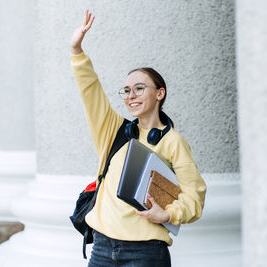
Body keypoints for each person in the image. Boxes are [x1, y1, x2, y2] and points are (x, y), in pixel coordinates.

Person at [70, 10, 207, 267]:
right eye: (126, 90)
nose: (131, 95)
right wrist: (77, 51)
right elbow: (91, 93)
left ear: (160, 93)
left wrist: (167, 213)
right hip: (101, 247)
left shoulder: (173, 142)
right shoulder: (114, 130)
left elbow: (195, 197)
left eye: (139, 88)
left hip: (145, 253)